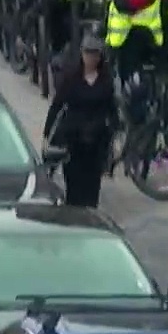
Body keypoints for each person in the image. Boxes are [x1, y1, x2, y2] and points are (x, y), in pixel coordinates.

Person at [44, 35, 114, 208]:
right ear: (82, 54)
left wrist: (114, 134)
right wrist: (47, 135)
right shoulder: (71, 78)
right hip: (74, 140)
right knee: (74, 187)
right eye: (88, 53)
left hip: (96, 141)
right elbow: (57, 106)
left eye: (95, 54)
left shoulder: (105, 81)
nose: (91, 58)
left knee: (92, 188)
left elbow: (111, 109)